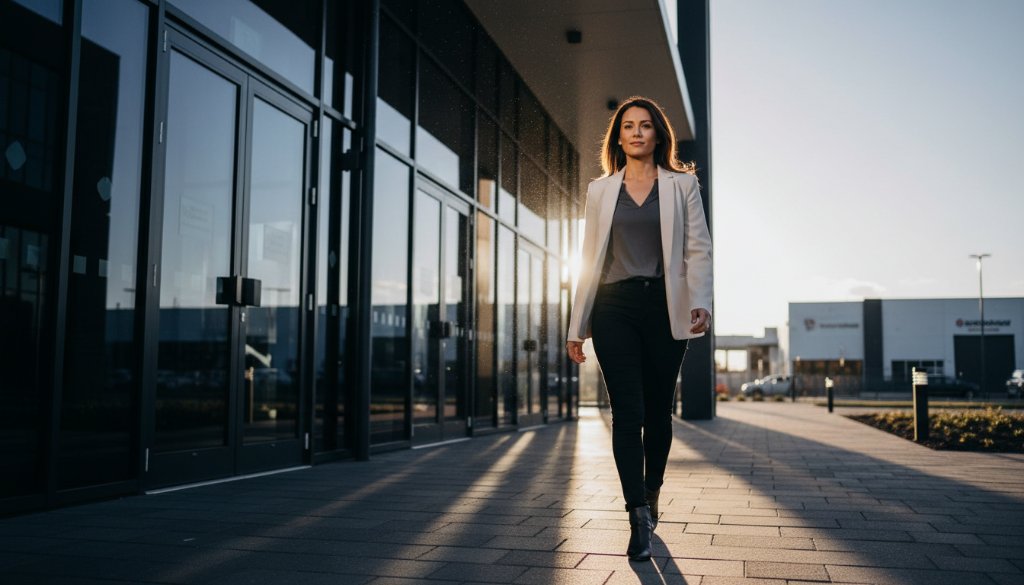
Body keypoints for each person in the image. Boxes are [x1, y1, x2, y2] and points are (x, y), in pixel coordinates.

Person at [565, 96, 713, 562]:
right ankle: (637, 514)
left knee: (658, 413)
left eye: (645, 125)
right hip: (614, 307)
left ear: (657, 134)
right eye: (627, 126)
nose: (636, 133)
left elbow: (698, 249)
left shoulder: (682, 185)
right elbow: (589, 258)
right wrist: (576, 325)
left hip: (665, 307)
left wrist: (701, 301)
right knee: (627, 413)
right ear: (618, 137)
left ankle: (652, 489)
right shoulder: (600, 190)